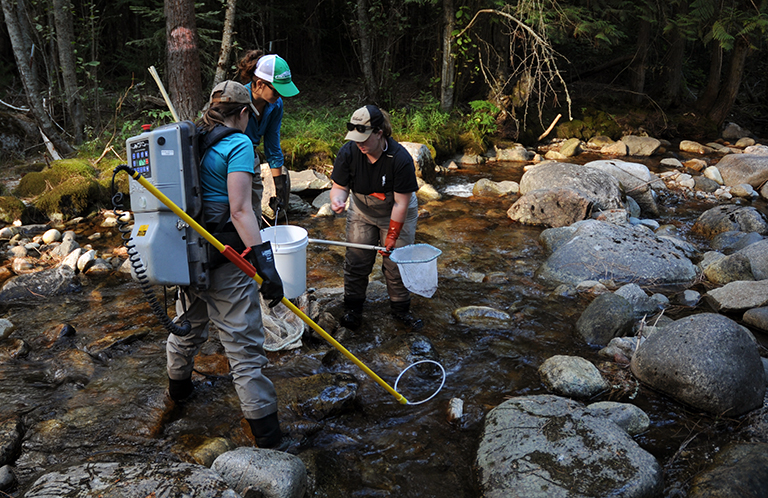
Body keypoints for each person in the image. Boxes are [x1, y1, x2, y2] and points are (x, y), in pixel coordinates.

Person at [166, 80, 288, 450]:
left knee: (186, 327)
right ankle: (270, 442)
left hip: (184, 257)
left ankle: (179, 396)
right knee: (245, 350)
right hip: (224, 261)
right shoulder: (238, 144)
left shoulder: (190, 141)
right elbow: (239, 210)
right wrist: (266, 264)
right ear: (244, 112)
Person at [329, 105, 423, 331]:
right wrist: (337, 200)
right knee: (357, 260)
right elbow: (339, 187)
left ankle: (400, 311)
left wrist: (391, 236)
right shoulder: (348, 153)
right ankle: (353, 309)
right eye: (355, 138)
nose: (359, 143)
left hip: (398, 212)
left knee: (396, 263)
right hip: (362, 212)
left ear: (379, 133)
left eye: (364, 138)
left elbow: (401, 203)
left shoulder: (399, 158)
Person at [236, 51, 299, 223]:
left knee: (254, 212)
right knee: (237, 211)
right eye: (277, 90)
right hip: (230, 161)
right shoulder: (236, 100)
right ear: (260, 84)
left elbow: (272, 145)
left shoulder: (275, 105)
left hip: (251, 156)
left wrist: (279, 188)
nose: (281, 95)